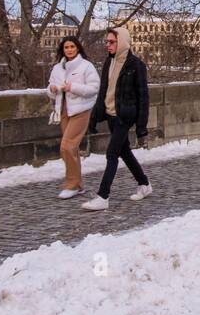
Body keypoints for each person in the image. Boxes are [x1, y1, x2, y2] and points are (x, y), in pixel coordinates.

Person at [82, 27, 152, 211]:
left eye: (112, 42)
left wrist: (141, 127)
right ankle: (144, 184)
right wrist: (95, 116)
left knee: (111, 154)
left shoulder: (136, 65)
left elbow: (143, 97)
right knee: (124, 152)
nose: (108, 45)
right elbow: (103, 91)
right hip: (111, 114)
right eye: (107, 42)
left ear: (122, 42)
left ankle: (103, 196)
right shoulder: (108, 63)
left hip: (125, 116)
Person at [46, 36, 101, 199]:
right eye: (66, 47)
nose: (69, 50)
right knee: (72, 149)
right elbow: (49, 88)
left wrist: (72, 87)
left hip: (81, 110)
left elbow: (94, 88)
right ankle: (78, 184)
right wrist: (53, 89)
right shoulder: (57, 68)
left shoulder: (86, 66)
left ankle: (71, 184)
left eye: (72, 46)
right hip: (63, 110)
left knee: (67, 146)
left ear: (77, 48)